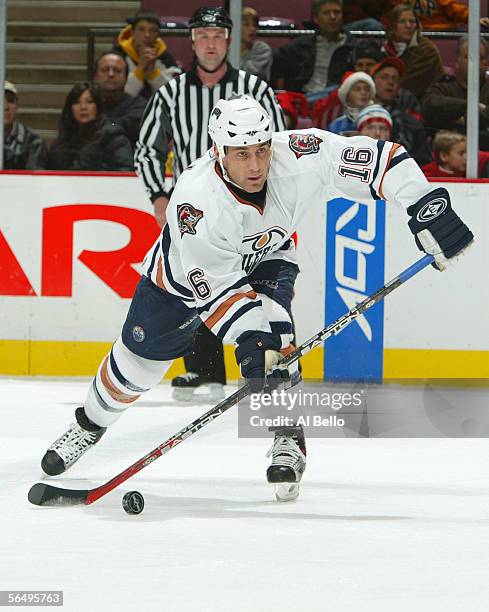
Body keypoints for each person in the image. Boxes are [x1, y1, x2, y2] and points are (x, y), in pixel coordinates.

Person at [40, 95, 473, 504]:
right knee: (135, 364)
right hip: (182, 280)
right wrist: (250, 341)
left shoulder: (300, 153)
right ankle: (89, 425)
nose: (256, 164)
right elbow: (219, 288)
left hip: (268, 256)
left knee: (277, 330)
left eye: (262, 150)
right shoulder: (196, 201)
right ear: (218, 151)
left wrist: (426, 206)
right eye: (242, 154)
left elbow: (383, 160)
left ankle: (287, 437)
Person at [135, 6, 286, 403]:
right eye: (202, 36)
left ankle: (255, 363)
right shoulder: (170, 92)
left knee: (250, 283)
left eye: (218, 36)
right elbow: (147, 150)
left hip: (250, 204)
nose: (210, 44)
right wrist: (158, 195)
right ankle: (203, 371)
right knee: (197, 280)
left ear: (229, 40)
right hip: (193, 210)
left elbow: (281, 147)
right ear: (193, 42)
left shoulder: (257, 90)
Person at [271, 0, 357, 96]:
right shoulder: (299, 46)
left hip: (337, 102)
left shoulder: (353, 48)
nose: (333, 17)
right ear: (316, 19)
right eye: (326, 13)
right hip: (303, 101)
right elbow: (272, 69)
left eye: (337, 12)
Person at [47, 82, 134, 171]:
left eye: (89, 102)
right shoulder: (60, 142)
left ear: (98, 107)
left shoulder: (112, 135)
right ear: (70, 108)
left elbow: (126, 170)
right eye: (77, 102)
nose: (83, 107)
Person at [423, 36, 489, 150]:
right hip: (447, 156)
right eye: (469, 57)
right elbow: (430, 105)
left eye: (481, 57)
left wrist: (455, 117)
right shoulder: (442, 89)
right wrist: (471, 105)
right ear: (457, 61)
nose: (476, 62)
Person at [371, 57, 432, 166]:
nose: (390, 82)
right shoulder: (356, 118)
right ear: (372, 82)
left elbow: (424, 162)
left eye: (395, 79)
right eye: (384, 77)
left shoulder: (411, 123)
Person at [382, 4, 444, 101]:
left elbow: (409, 85)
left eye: (412, 22)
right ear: (393, 26)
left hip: (423, 102)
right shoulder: (385, 49)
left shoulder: (427, 50)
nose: (408, 26)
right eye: (402, 22)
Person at [114, 9, 181, 99]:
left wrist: (153, 73)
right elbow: (120, 97)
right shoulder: (118, 55)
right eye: (141, 29)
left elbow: (173, 95)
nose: (147, 35)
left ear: (158, 34)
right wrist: (140, 69)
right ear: (132, 32)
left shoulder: (165, 57)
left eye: (153, 30)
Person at [93, 51, 148, 151]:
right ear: (95, 76)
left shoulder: (139, 106)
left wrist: (91, 126)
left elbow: (126, 126)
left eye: (117, 71)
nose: (111, 74)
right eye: (105, 70)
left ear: (126, 77)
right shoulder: (86, 105)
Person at [3, 81, 47, 170]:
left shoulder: (34, 141)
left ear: (17, 106)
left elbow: (34, 180)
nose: (5, 107)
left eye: (11, 101)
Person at [422, 130, 489, 178]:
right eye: (461, 153)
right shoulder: (427, 177)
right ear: (444, 156)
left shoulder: (470, 172)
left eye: (467, 152)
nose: (466, 157)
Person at [328, 71, 376, 135]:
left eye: (366, 89)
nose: (363, 93)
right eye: (357, 89)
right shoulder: (336, 126)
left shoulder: (380, 121)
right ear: (347, 95)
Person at [240, 7, 273, 82]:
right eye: (247, 25)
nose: (252, 29)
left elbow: (250, 74)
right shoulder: (225, 48)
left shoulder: (262, 49)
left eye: (254, 25)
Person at [412, 0, 489, 32]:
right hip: (443, 30)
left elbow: (454, 9)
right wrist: (474, 19)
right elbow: (455, 9)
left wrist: (474, 19)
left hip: (413, 31)